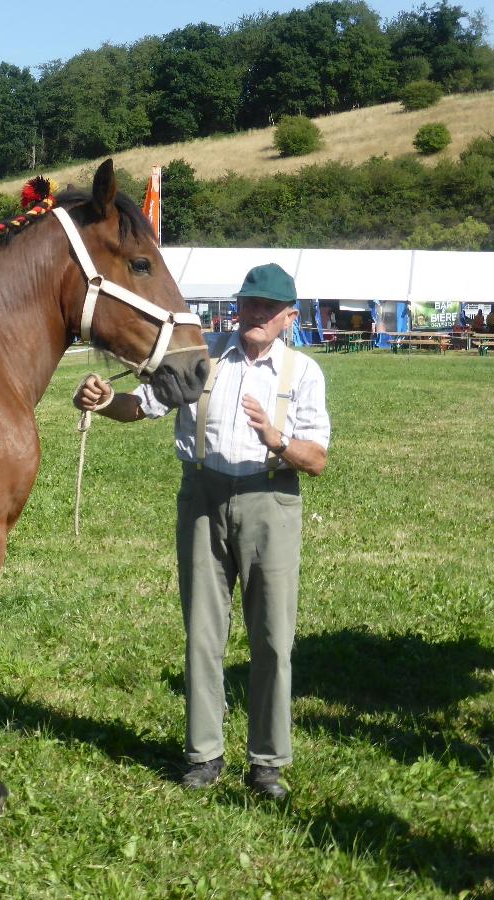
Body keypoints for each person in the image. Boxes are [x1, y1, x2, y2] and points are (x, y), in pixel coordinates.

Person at [74, 263, 330, 801]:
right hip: (202, 497)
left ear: (289, 316)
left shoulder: (303, 373)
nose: (255, 315)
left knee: (272, 639)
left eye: (268, 308)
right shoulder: (203, 356)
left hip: (271, 500)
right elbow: (141, 407)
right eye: (249, 303)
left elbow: (318, 459)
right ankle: (204, 755)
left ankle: (267, 761)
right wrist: (105, 402)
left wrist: (276, 439)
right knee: (203, 635)